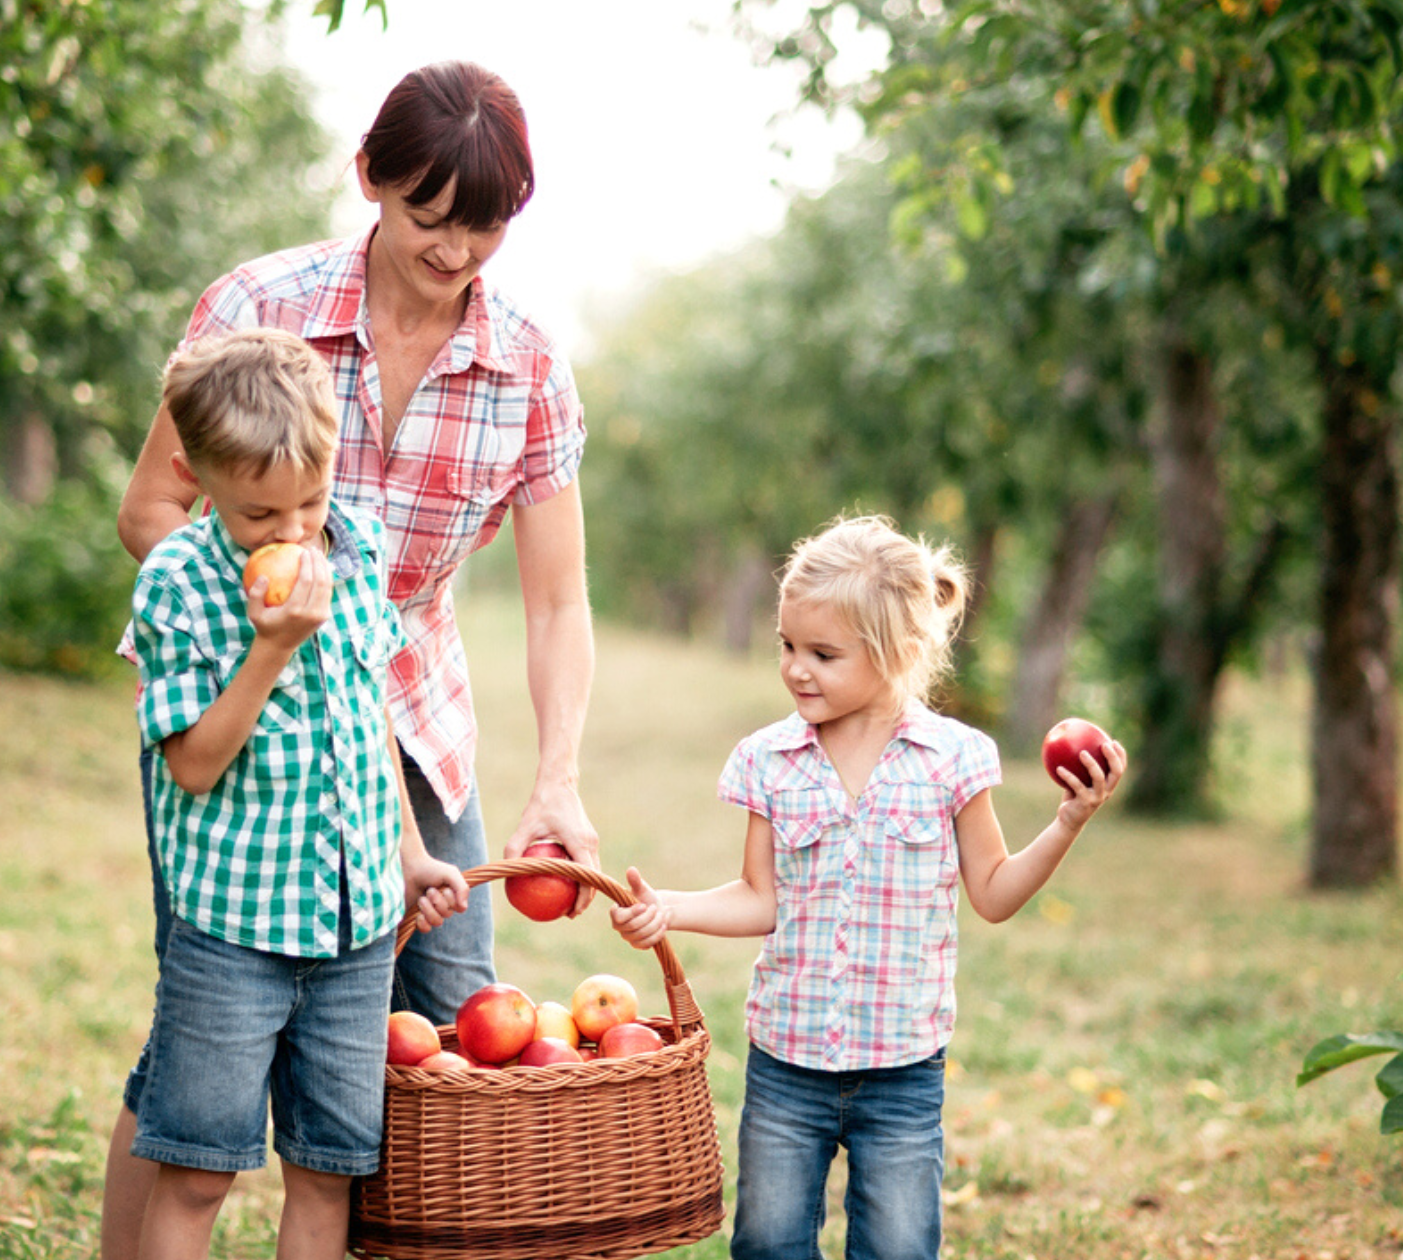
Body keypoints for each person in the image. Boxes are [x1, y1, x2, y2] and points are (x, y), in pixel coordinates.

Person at [106, 60, 599, 1260]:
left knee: (446, 1018)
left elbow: (555, 603)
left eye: (483, 227)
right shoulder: (257, 307)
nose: (454, 250)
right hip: (243, 700)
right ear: (371, 179)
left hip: (409, 712)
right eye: (429, 217)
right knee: (211, 1023)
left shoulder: (525, 364)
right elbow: (150, 509)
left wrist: (556, 779)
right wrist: (261, 627)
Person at [609, 516, 1128, 1260]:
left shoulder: (953, 759)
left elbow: (994, 892)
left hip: (903, 1071)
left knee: (898, 1248)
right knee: (767, 1244)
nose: (796, 669)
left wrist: (1068, 823)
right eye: (787, 646)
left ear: (898, 654)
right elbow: (761, 898)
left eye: (823, 653)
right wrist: (671, 909)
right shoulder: (769, 760)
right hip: (787, 1065)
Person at [124, 327, 470, 1260]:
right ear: (196, 475)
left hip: (353, 932)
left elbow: (370, 720)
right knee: (197, 1169)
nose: (290, 533)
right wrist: (270, 647)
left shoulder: (352, 552)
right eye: (258, 516)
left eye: (307, 503)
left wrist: (408, 853)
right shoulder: (180, 584)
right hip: (234, 930)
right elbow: (193, 764)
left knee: (329, 1170)